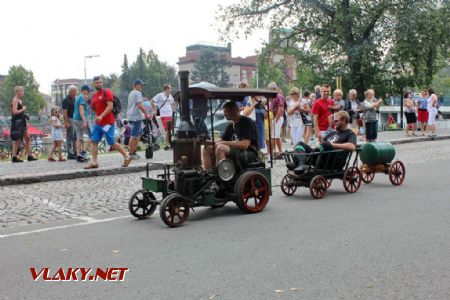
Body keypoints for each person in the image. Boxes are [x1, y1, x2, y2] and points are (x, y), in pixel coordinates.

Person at [84, 76, 132, 169]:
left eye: (100, 82)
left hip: (107, 123)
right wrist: (88, 102)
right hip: (98, 123)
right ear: (94, 84)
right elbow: (94, 108)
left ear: (102, 83)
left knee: (111, 142)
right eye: (97, 82)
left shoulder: (107, 92)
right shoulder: (94, 96)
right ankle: (94, 162)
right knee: (94, 141)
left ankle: (127, 157)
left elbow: (110, 107)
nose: (99, 84)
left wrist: (101, 116)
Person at [289, 111, 356, 174]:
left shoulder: (350, 133)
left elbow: (352, 146)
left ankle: (299, 162)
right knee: (300, 144)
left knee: (326, 144)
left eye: (336, 121)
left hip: (335, 162)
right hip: (322, 158)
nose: (333, 122)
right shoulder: (332, 133)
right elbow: (321, 144)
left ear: (344, 121)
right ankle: (301, 163)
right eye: (334, 120)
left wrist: (331, 145)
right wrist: (319, 139)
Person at [202, 101, 259, 171]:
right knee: (206, 149)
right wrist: (207, 141)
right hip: (238, 151)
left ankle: (223, 176)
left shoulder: (246, 122)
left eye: (226, 112)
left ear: (234, 111)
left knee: (220, 148)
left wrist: (224, 143)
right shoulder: (231, 125)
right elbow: (221, 140)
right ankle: (208, 174)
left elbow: (245, 145)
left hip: (250, 153)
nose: (224, 114)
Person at [10, 86, 37, 162]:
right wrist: (23, 109)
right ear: (16, 92)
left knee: (27, 139)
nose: (22, 92)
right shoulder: (15, 100)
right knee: (18, 139)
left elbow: (19, 113)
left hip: (22, 121)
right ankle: (15, 157)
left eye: (23, 91)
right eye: (20, 91)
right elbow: (14, 112)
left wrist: (25, 120)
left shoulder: (20, 100)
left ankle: (29, 155)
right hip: (17, 122)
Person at [127, 79, 151, 159]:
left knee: (139, 134)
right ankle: (130, 154)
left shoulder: (131, 93)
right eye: (141, 85)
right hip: (136, 117)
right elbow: (139, 105)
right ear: (136, 85)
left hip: (132, 115)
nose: (142, 87)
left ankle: (133, 151)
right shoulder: (138, 93)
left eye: (142, 85)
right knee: (134, 136)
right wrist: (146, 113)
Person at [151, 84, 175, 150]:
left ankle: (168, 144)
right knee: (167, 130)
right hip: (163, 115)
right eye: (170, 88)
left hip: (170, 115)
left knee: (169, 130)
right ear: (166, 89)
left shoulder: (170, 96)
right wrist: (153, 110)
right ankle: (167, 145)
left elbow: (173, 103)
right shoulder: (160, 95)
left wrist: (173, 109)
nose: (171, 89)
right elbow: (152, 101)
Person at [73, 85, 92, 162]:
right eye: (88, 91)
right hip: (82, 119)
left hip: (76, 119)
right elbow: (81, 109)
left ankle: (78, 155)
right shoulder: (82, 97)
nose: (89, 93)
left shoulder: (78, 97)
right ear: (84, 90)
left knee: (79, 138)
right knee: (92, 135)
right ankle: (83, 153)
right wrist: (84, 121)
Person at [268, 82, 285, 158]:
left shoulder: (279, 96)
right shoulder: (272, 96)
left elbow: (281, 107)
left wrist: (276, 118)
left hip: (278, 117)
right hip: (273, 117)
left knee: (273, 136)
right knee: (276, 136)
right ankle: (280, 153)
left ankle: (271, 154)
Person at [62, 85, 78, 159]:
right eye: (73, 91)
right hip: (70, 119)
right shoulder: (66, 100)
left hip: (75, 120)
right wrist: (66, 122)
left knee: (75, 137)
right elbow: (64, 112)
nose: (75, 93)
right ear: (69, 92)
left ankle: (75, 152)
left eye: (75, 91)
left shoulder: (75, 99)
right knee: (70, 137)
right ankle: (70, 153)